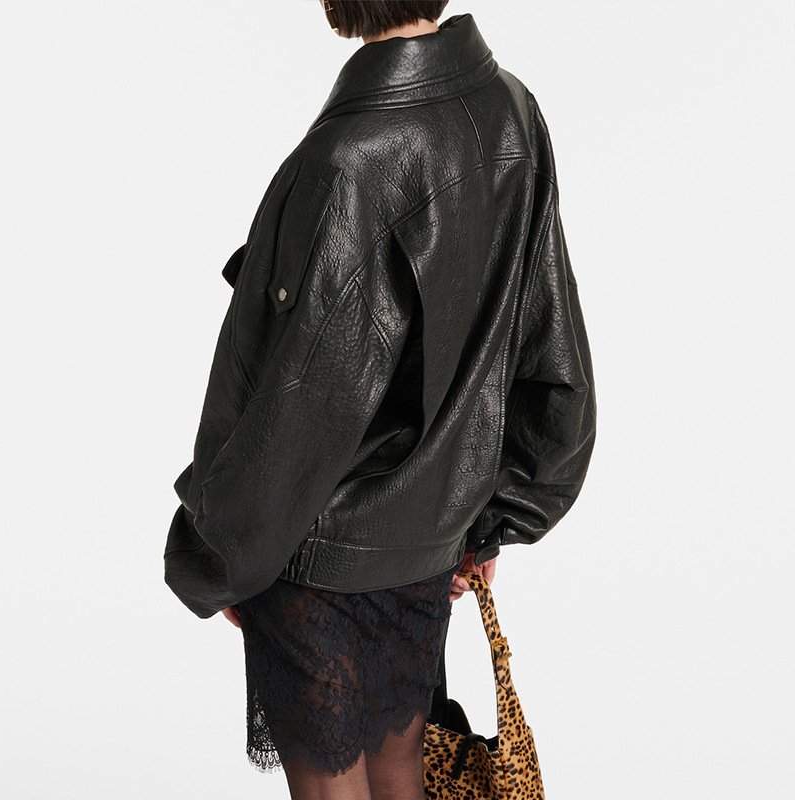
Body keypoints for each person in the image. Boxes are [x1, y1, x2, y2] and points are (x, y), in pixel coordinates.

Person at [163, 3, 596, 798]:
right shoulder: (510, 109)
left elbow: (300, 404)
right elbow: (549, 343)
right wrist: (491, 516)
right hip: (430, 543)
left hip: (317, 554)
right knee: (400, 774)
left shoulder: (347, 159)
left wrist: (220, 556)